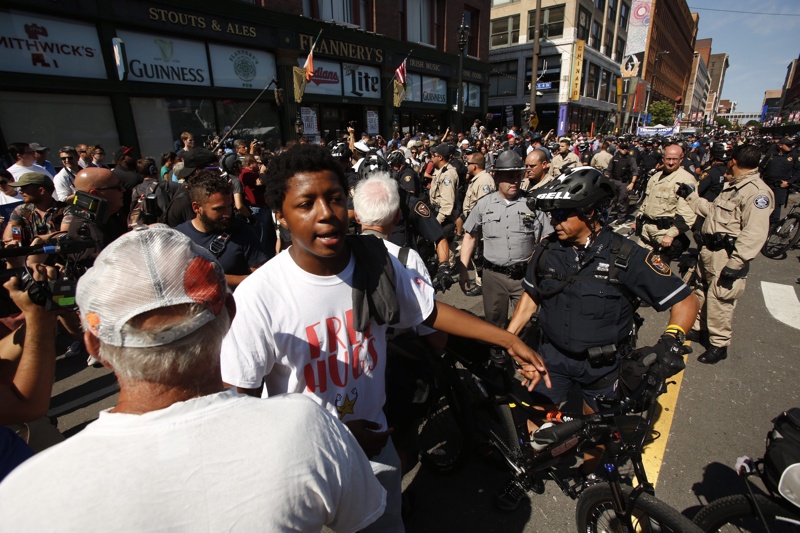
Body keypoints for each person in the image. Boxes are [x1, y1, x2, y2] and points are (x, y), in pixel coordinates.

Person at [219, 144, 550, 533]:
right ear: (281, 217)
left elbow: (429, 312)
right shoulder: (260, 295)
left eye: (336, 199)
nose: (326, 214)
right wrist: (332, 437)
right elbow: (236, 402)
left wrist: (507, 341)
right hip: (303, 464)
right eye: (306, 204)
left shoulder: (376, 261)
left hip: (377, 450)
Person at [0, 225, 387, 531]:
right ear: (230, 314)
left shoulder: (26, 493)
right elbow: (364, 518)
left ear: (94, 346)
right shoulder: (308, 427)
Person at [503, 166, 698, 509]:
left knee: (597, 429)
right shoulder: (549, 250)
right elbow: (530, 299)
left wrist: (670, 341)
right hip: (552, 358)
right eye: (553, 214)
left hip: (604, 365)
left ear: (590, 213)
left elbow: (684, 300)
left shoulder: (628, 256)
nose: (555, 222)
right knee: (537, 412)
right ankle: (530, 469)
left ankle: (592, 476)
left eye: (563, 214)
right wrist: (506, 339)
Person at [678, 143, 774, 364]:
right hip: (709, 251)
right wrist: (691, 198)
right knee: (701, 291)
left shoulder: (756, 192)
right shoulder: (734, 186)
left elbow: (755, 231)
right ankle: (699, 329)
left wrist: (736, 263)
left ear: (733, 161)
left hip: (726, 256)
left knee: (721, 299)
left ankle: (719, 344)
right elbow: (713, 212)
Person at [458, 150, 550, 327]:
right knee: (494, 323)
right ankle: (497, 355)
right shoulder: (484, 204)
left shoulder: (532, 203)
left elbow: (546, 238)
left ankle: (519, 355)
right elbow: (470, 236)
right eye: (509, 176)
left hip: (524, 277)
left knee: (526, 324)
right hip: (493, 277)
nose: (515, 181)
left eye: (518, 175)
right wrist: (463, 269)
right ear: (497, 176)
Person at [175, 171, 268, 289]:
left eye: (229, 206)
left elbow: (263, 278)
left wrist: (217, 278)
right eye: (219, 209)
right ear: (197, 208)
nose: (227, 214)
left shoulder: (243, 232)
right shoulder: (178, 237)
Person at [632, 143, 697, 262]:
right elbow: (647, 201)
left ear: (681, 159)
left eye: (675, 159)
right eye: (668, 159)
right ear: (663, 159)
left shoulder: (685, 180)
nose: (671, 162)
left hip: (663, 233)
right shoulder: (655, 177)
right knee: (638, 266)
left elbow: (688, 214)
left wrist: (671, 234)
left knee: (658, 272)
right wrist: (637, 219)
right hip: (646, 231)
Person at [759, 136, 799, 226]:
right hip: (766, 184)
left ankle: (772, 229)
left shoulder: (794, 156)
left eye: (791, 145)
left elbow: (798, 172)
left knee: (775, 209)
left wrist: (789, 182)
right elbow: (761, 168)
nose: (790, 147)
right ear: (781, 145)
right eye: (788, 145)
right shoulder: (772, 155)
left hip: (780, 186)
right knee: (761, 205)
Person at [605, 142, 639, 225]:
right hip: (614, 180)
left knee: (622, 200)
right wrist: (607, 178)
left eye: (626, 148)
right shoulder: (614, 158)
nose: (624, 150)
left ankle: (621, 217)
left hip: (624, 182)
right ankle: (606, 217)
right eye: (622, 148)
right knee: (611, 200)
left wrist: (632, 183)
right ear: (619, 149)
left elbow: (635, 172)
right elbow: (609, 170)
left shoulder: (630, 159)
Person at [429, 143, 460, 229]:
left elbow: (447, 202)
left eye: (433, 155)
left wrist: (438, 220)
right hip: (437, 211)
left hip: (444, 218)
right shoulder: (440, 171)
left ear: (440, 157)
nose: (431, 157)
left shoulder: (448, 175)